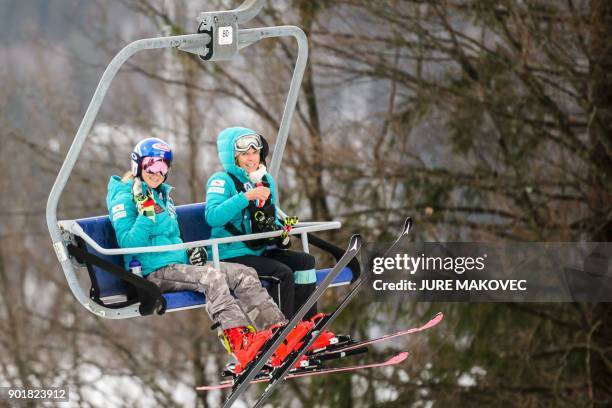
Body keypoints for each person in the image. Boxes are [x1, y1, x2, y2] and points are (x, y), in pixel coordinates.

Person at [106, 137, 326, 374]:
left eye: (163, 166)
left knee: (243, 273)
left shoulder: (160, 194)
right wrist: (145, 215)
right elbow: (128, 243)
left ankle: (278, 334)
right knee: (211, 277)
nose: (157, 172)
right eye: (151, 165)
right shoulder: (126, 197)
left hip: (176, 264)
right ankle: (239, 342)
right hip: (151, 273)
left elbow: (171, 239)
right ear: (138, 165)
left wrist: (192, 252)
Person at [204, 127, 319, 321]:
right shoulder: (221, 181)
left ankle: (307, 326)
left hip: (259, 249)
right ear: (233, 158)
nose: (251, 159)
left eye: (255, 152)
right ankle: (283, 332)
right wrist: (245, 197)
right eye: (244, 154)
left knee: (305, 262)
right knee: (282, 273)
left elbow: (269, 217)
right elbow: (213, 216)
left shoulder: (265, 180)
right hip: (231, 253)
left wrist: (281, 235)